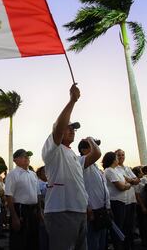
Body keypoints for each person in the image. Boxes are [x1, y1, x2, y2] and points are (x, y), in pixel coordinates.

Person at [42, 84, 101, 250]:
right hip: (61, 211)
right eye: (69, 127)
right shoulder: (53, 149)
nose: (72, 130)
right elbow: (58, 128)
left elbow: (96, 154)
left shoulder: (75, 157)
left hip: (78, 211)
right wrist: (72, 101)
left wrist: (90, 140)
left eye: (74, 128)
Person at [5, 149, 40, 250]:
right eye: (22, 156)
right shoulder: (12, 174)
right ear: (15, 160)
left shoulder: (33, 174)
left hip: (33, 210)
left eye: (27, 156)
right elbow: (9, 196)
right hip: (20, 210)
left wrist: (39, 211)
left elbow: (37, 194)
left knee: (33, 240)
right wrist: (14, 216)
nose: (26, 158)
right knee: (19, 241)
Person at [78, 140, 109, 250]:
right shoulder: (80, 161)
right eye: (91, 146)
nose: (94, 149)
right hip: (92, 210)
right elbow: (80, 188)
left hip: (101, 210)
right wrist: (87, 206)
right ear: (83, 150)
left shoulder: (95, 166)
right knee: (93, 242)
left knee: (101, 241)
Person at [102, 151, 131, 250]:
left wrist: (126, 185)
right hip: (115, 202)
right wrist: (127, 186)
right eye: (117, 157)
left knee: (121, 227)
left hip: (121, 202)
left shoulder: (116, 170)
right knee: (117, 228)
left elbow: (126, 182)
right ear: (113, 159)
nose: (118, 159)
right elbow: (121, 187)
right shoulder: (109, 170)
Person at [115, 149, 139, 250]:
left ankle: (131, 246)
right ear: (115, 157)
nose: (121, 157)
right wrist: (132, 181)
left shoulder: (127, 168)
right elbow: (126, 182)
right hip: (123, 202)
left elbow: (137, 180)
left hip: (132, 200)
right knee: (123, 227)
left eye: (123, 155)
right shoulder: (114, 169)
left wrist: (130, 180)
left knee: (131, 227)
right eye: (119, 155)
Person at [36, 166, 48, 250]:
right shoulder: (39, 183)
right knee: (44, 234)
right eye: (44, 172)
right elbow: (38, 199)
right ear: (40, 173)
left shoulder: (49, 182)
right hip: (43, 211)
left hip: (50, 212)